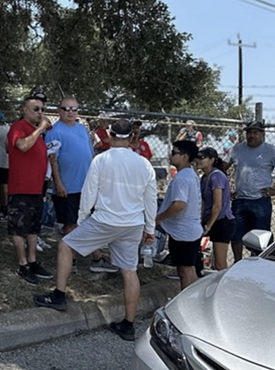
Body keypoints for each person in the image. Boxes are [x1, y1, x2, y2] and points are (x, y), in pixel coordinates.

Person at [34, 119, 157, 342]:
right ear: (131, 138)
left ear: (109, 136)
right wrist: (150, 228)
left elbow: (89, 192)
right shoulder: (144, 164)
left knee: (66, 245)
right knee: (129, 271)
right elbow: (150, 199)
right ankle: (128, 325)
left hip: (105, 219)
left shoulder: (101, 159)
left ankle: (59, 295)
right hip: (133, 223)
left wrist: (81, 220)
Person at [46, 97, 117, 273]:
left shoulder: (82, 130)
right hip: (67, 187)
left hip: (86, 187)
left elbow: (90, 156)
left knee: (91, 222)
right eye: (66, 108)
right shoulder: (54, 132)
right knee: (70, 224)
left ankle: (97, 259)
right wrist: (59, 183)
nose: (70, 112)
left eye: (74, 109)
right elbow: (52, 160)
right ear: (59, 111)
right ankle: (70, 260)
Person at [6, 95, 53, 285]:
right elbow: (22, 146)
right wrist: (41, 129)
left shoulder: (37, 134)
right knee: (19, 228)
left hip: (36, 188)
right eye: (36, 109)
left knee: (33, 228)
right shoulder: (19, 127)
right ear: (25, 110)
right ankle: (23, 264)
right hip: (21, 187)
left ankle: (33, 261)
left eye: (42, 109)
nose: (40, 113)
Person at [156, 141, 203, 290]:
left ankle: (188, 305)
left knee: (185, 270)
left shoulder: (182, 177)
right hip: (187, 231)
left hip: (184, 232)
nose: (170, 156)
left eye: (174, 153)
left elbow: (179, 205)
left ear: (184, 156)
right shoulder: (190, 175)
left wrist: (160, 218)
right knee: (189, 269)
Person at [226, 120, 275, 262]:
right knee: (236, 235)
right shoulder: (237, 149)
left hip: (260, 201)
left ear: (262, 134)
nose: (251, 135)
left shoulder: (271, 151)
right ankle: (237, 262)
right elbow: (223, 166)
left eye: (255, 132)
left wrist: (273, 191)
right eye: (249, 132)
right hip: (240, 200)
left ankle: (256, 263)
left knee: (260, 238)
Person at [197, 147, 235, 270]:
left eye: (202, 158)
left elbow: (217, 206)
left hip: (221, 221)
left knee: (220, 263)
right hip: (211, 220)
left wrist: (208, 226)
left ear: (212, 159)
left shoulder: (216, 176)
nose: (198, 160)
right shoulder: (203, 178)